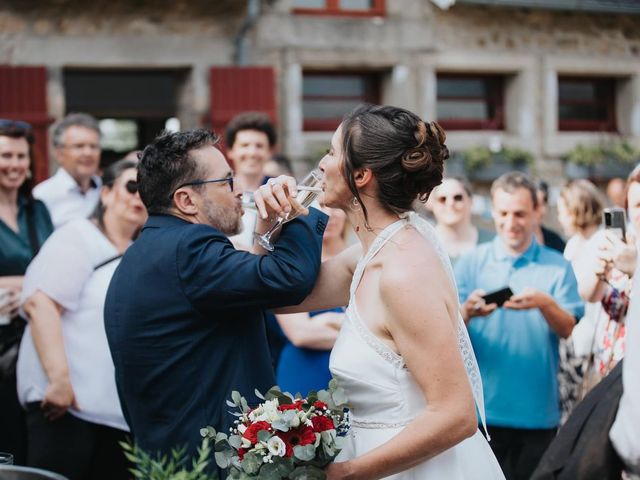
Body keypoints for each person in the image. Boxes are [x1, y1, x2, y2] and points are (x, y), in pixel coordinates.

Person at [274, 104, 505, 479]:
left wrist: (345, 473)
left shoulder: (403, 273)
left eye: (333, 152)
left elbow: (457, 414)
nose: (322, 163)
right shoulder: (368, 255)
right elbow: (277, 298)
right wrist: (270, 223)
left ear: (361, 175)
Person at [103, 129, 327, 463]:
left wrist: (265, 233)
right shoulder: (189, 249)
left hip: (174, 458)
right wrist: (296, 211)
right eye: (226, 182)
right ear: (186, 201)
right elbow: (290, 279)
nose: (239, 192)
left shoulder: (151, 250)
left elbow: (253, 287)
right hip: (210, 460)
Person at [17, 158, 146, 479]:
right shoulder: (77, 236)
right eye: (131, 186)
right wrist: (59, 381)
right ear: (105, 194)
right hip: (67, 409)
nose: (139, 196)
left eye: (149, 190)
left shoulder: (139, 252)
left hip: (115, 418)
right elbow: (41, 303)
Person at [455, 172, 584, 480]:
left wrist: (545, 303)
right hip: (483, 413)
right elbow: (447, 327)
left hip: (538, 412)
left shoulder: (558, 265)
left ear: (537, 212)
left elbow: (567, 328)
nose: (511, 222)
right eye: (503, 213)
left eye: (520, 214)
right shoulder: (472, 262)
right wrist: (468, 311)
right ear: (493, 213)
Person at [0, 119, 54, 465]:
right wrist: (33, 282)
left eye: (21, 156)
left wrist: (12, 284)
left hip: (34, 335)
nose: (15, 164)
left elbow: (53, 271)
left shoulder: (37, 210)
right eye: (6, 155)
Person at [275, 205, 348, 395]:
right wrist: (358, 332)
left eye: (335, 206)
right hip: (306, 372)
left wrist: (329, 321)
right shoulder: (290, 266)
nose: (329, 214)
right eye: (320, 206)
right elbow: (301, 334)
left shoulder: (366, 257)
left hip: (358, 374)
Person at [555, 179, 607, 421]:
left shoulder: (603, 241)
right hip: (576, 340)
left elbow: (586, 292)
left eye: (562, 212)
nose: (560, 218)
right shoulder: (574, 243)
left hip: (597, 337)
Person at [33, 113, 102, 229]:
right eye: (79, 146)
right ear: (59, 153)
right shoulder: (43, 196)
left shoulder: (108, 191)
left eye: (93, 146)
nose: (88, 153)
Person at [225, 111, 277, 249]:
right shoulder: (218, 191)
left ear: (269, 152)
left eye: (259, 146)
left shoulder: (278, 192)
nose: (252, 153)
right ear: (231, 150)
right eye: (245, 145)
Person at [428, 176, 493, 264]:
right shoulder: (422, 245)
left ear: (471, 201)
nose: (450, 203)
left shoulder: (493, 243)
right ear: (431, 204)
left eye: (458, 197)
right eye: (442, 199)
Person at [535, 180, 566, 254]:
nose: (543, 210)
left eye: (544, 203)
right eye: (536, 205)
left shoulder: (555, 241)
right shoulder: (514, 242)